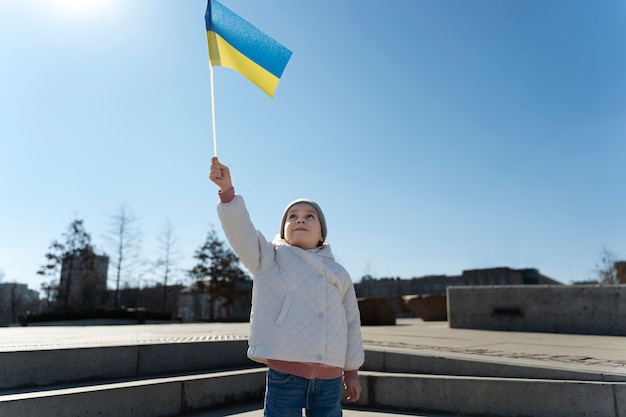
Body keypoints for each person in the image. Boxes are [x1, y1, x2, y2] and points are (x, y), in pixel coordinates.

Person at [208, 156, 364, 417]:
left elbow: (351, 324)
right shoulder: (270, 258)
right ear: (282, 232)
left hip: (330, 376)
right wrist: (227, 193)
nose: (300, 219)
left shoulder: (339, 273)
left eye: (309, 216)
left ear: (322, 234)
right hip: (286, 372)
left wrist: (352, 371)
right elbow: (242, 233)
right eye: (292, 216)